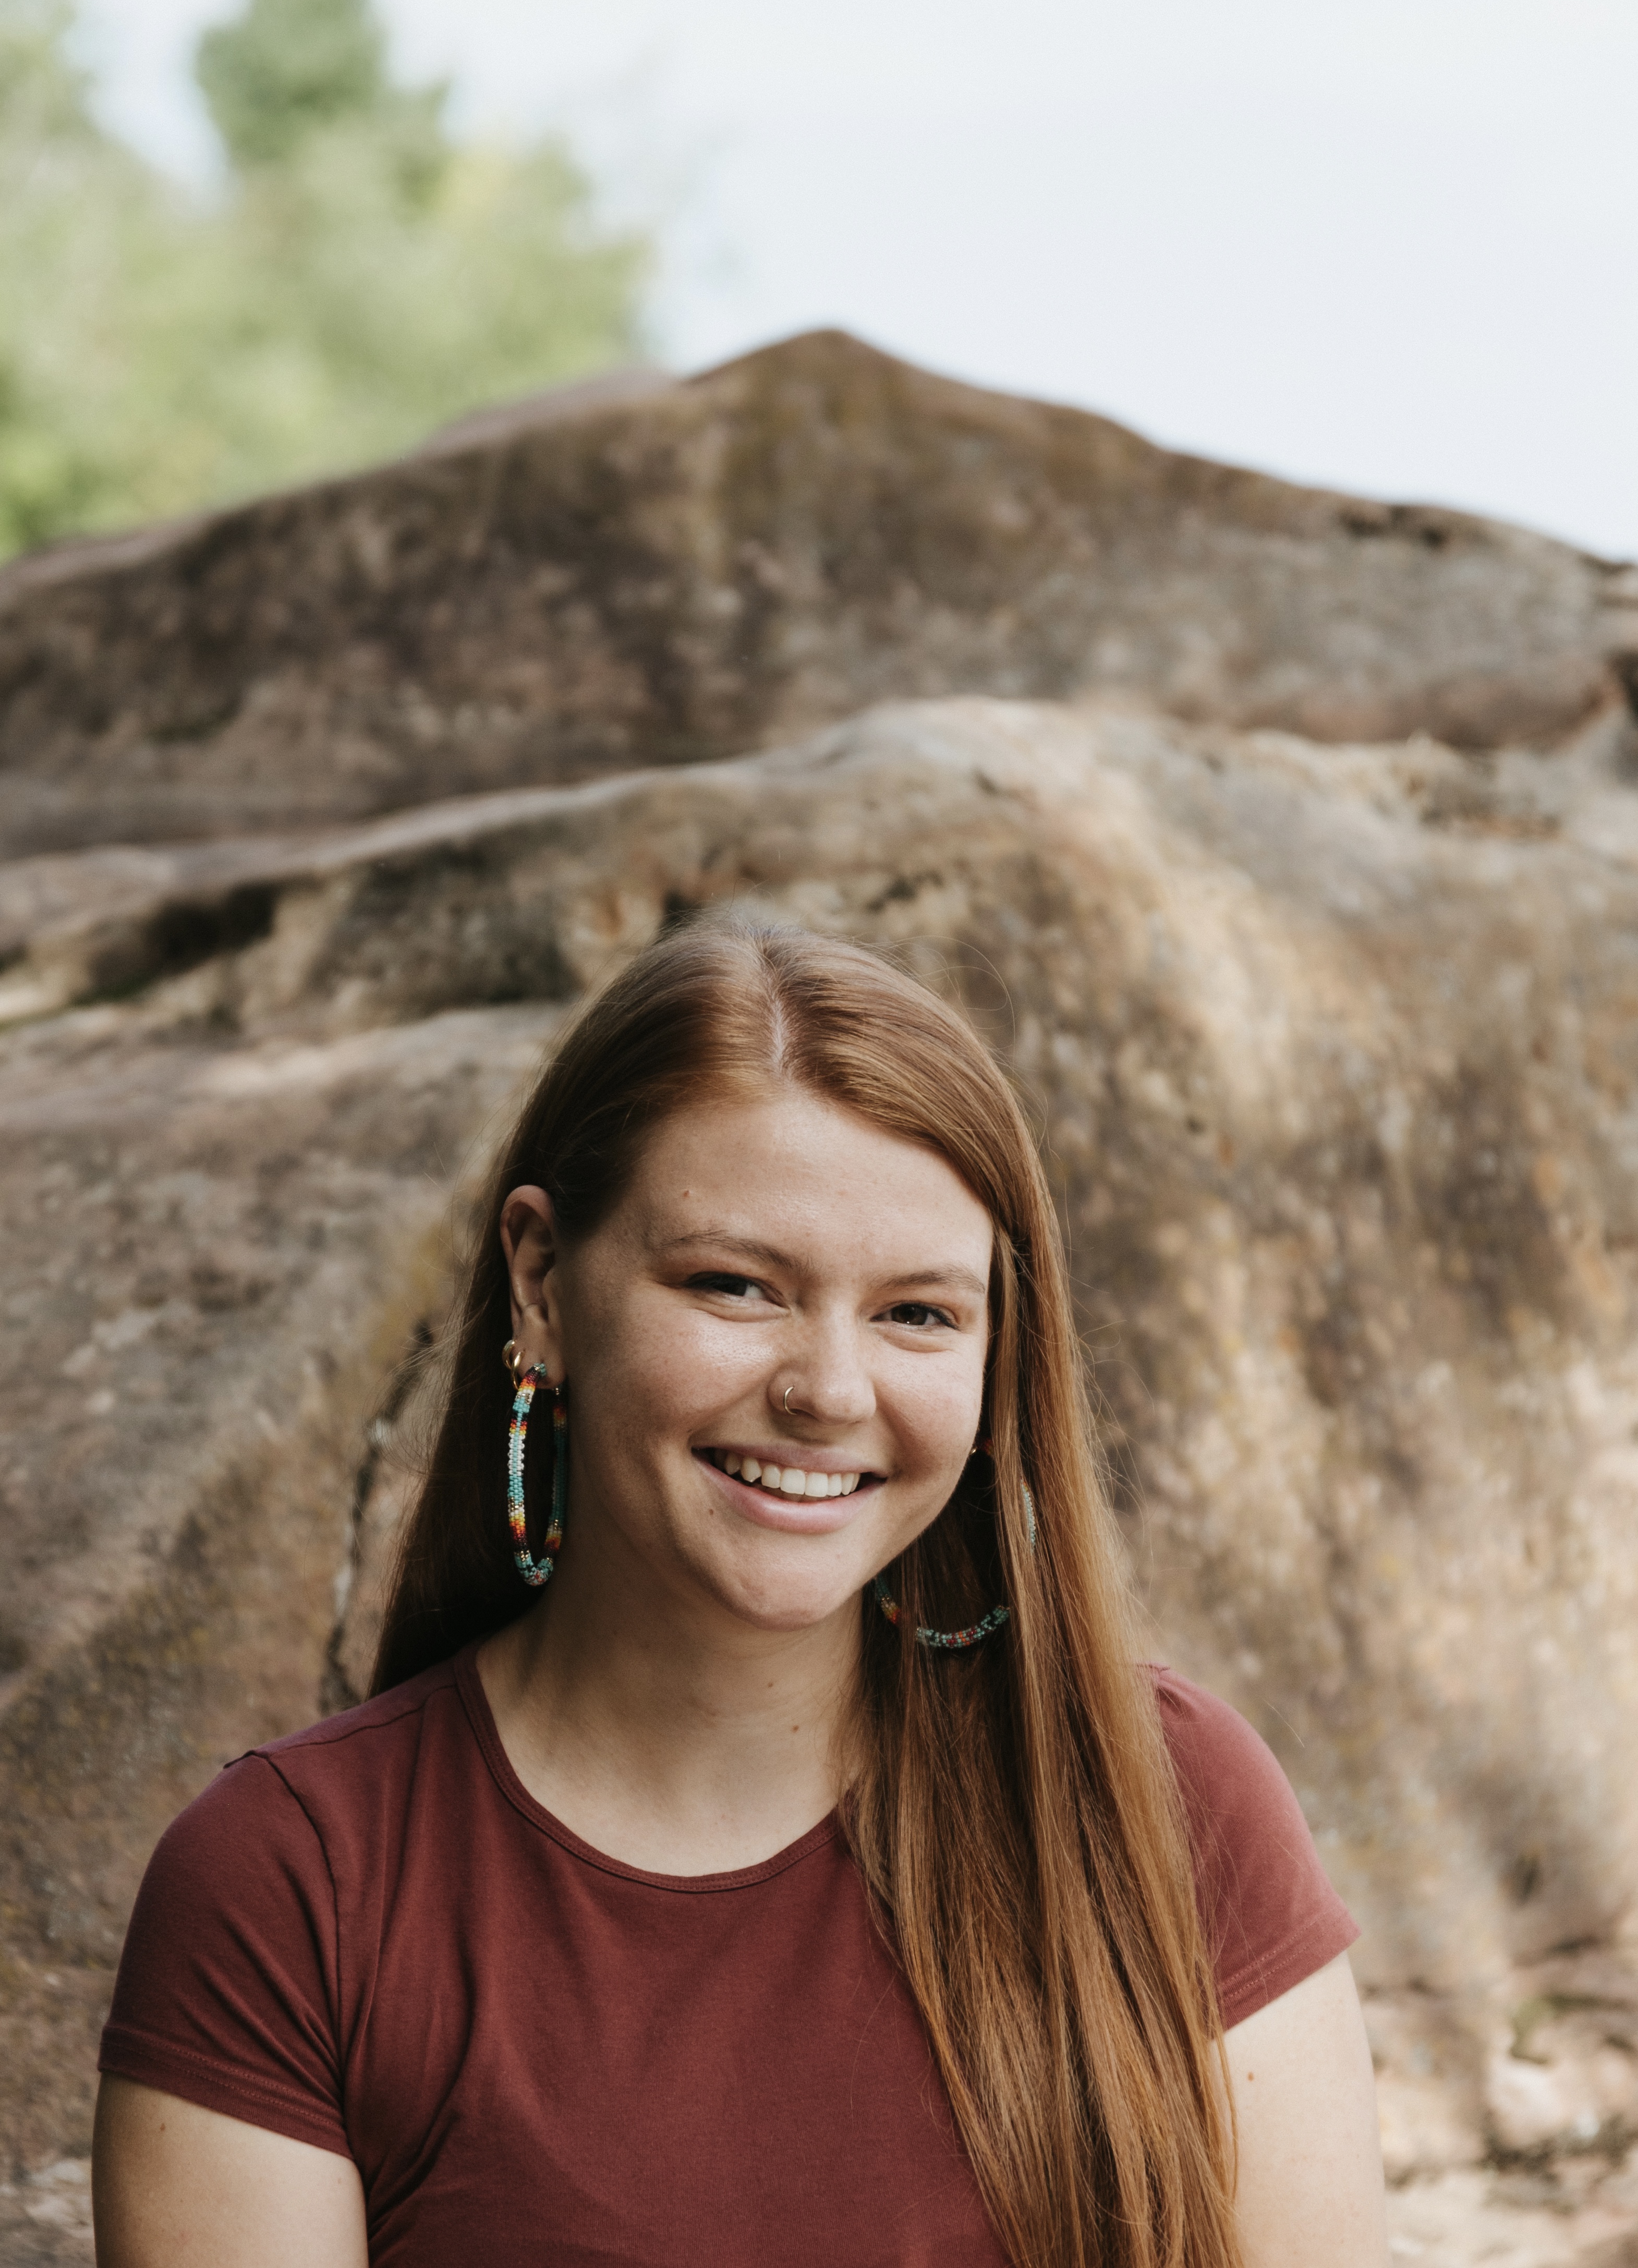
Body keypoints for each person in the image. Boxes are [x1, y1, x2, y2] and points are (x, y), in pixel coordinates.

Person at [92, 919, 1387, 2268]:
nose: (829, 1388)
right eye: (735, 1283)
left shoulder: (1163, 1799)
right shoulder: (295, 1886)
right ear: (541, 1281)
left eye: (919, 1312)